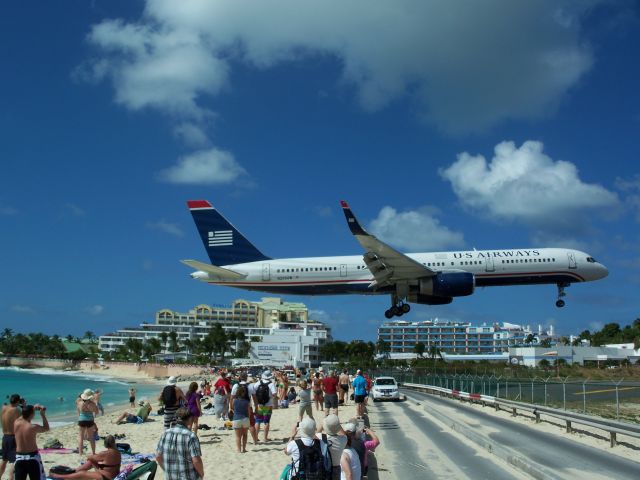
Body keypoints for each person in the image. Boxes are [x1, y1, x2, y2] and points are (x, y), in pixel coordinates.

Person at [156, 407, 203, 480]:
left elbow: (158, 457)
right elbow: (196, 461)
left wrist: (167, 470)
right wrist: (201, 474)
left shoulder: (165, 433)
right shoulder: (191, 436)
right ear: (190, 419)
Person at [49, 434, 121, 479]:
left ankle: (59, 476)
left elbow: (90, 457)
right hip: (112, 474)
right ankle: (74, 471)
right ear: (114, 443)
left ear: (105, 444)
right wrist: (94, 457)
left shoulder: (105, 453)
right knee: (91, 461)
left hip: (106, 477)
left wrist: (92, 456)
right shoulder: (118, 452)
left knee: (82, 473)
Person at [13, 404, 49, 480]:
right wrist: (42, 415)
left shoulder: (16, 423)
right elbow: (46, 428)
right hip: (33, 458)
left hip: (19, 457)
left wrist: (32, 408)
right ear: (32, 414)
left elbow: (23, 415)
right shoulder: (33, 427)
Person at [230, 373, 258, 444]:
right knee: (251, 424)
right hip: (248, 406)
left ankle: (240, 442)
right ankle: (255, 441)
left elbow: (232, 398)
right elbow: (254, 398)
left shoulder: (236, 386)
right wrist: (256, 408)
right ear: (246, 378)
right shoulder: (250, 386)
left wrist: (231, 407)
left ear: (239, 378)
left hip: (238, 407)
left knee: (239, 426)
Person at [249, 370, 277, 442]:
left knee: (258, 421)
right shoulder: (271, 384)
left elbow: (253, 391)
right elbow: (274, 394)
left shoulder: (258, 383)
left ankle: (256, 437)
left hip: (260, 405)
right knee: (266, 421)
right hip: (268, 405)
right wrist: (271, 398)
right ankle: (265, 438)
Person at [317, 414, 347, 480]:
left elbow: (317, 432)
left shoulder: (320, 437)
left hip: (324, 466)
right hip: (336, 468)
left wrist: (323, 424)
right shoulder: (344, 439)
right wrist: (337, 425)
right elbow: (343, 433)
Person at [1, 394, 22, 480]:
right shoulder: (16, 410)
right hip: (12, 437)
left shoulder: (3, 408)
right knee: (14, 461)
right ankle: (10, 478)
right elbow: (25, 420)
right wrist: (23, 406)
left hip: (5, 436)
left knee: (4, 460)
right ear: (17, 401)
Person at [77, 389, 99, 456]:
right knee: (91, 437)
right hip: (89, 420)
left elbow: (79, 411)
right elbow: (96, 412)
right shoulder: (92, 404)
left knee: (81, 437)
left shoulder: (79, 402)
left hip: (81, 419)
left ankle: (80, 453)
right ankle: (93, 452)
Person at [231, 385, 252, 453]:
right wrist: (248, 418)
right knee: (245, 435)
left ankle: (239, 450)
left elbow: (232, 408)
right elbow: (249, 412)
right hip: (245, 418)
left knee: (238, 436)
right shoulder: (247, 402)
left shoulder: (234, 400)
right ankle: (244, 449)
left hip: (236, 419)